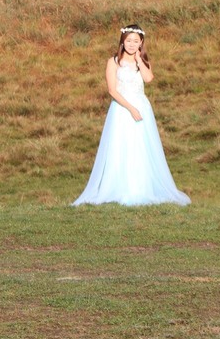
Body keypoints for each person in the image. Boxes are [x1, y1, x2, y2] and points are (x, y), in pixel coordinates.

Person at [73, 24, 190, 207]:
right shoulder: (113, 61)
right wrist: (130, 108)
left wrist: (139, 59)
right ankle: (119, 187)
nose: (132, 44)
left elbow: (149, 79)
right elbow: (112, 90)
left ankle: (142, 187)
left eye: (136, 41)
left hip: (142, 107)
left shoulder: (142, 61)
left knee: (142, 146)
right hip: (122, 108)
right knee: (121, 145)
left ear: (141, 42)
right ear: (122, 41)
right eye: (129, 40)